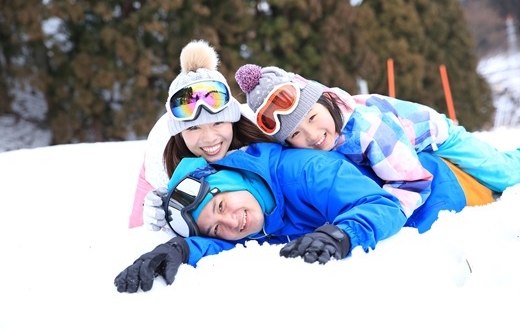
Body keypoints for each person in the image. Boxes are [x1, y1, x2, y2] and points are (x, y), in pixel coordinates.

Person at [114, 140, 494, 293]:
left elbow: (383, 205)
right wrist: (180, 249)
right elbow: (222, 241)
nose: (232, 222)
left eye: (220, 206)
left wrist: (340, 235)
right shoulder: (251, 206)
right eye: (217, 226)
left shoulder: (306, 170)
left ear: (226, 178)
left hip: (451, 187)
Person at [234, 64, 520, 215]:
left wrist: (384, 212)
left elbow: (412, 181)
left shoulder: (368, 129)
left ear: (326, 101)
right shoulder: (318, 138)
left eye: (311, 117)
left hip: (437, 135)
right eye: (295, 134)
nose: (311, 136)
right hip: (399, 143)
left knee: (504, 173)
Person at [128, 40, 273, 228]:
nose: (209, 138)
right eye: (193, 128)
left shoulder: (261, 132)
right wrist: (156, 219)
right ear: (179, 133)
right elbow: (136, 233)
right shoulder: (163, 154)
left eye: (218, 122)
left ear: (232, 120)